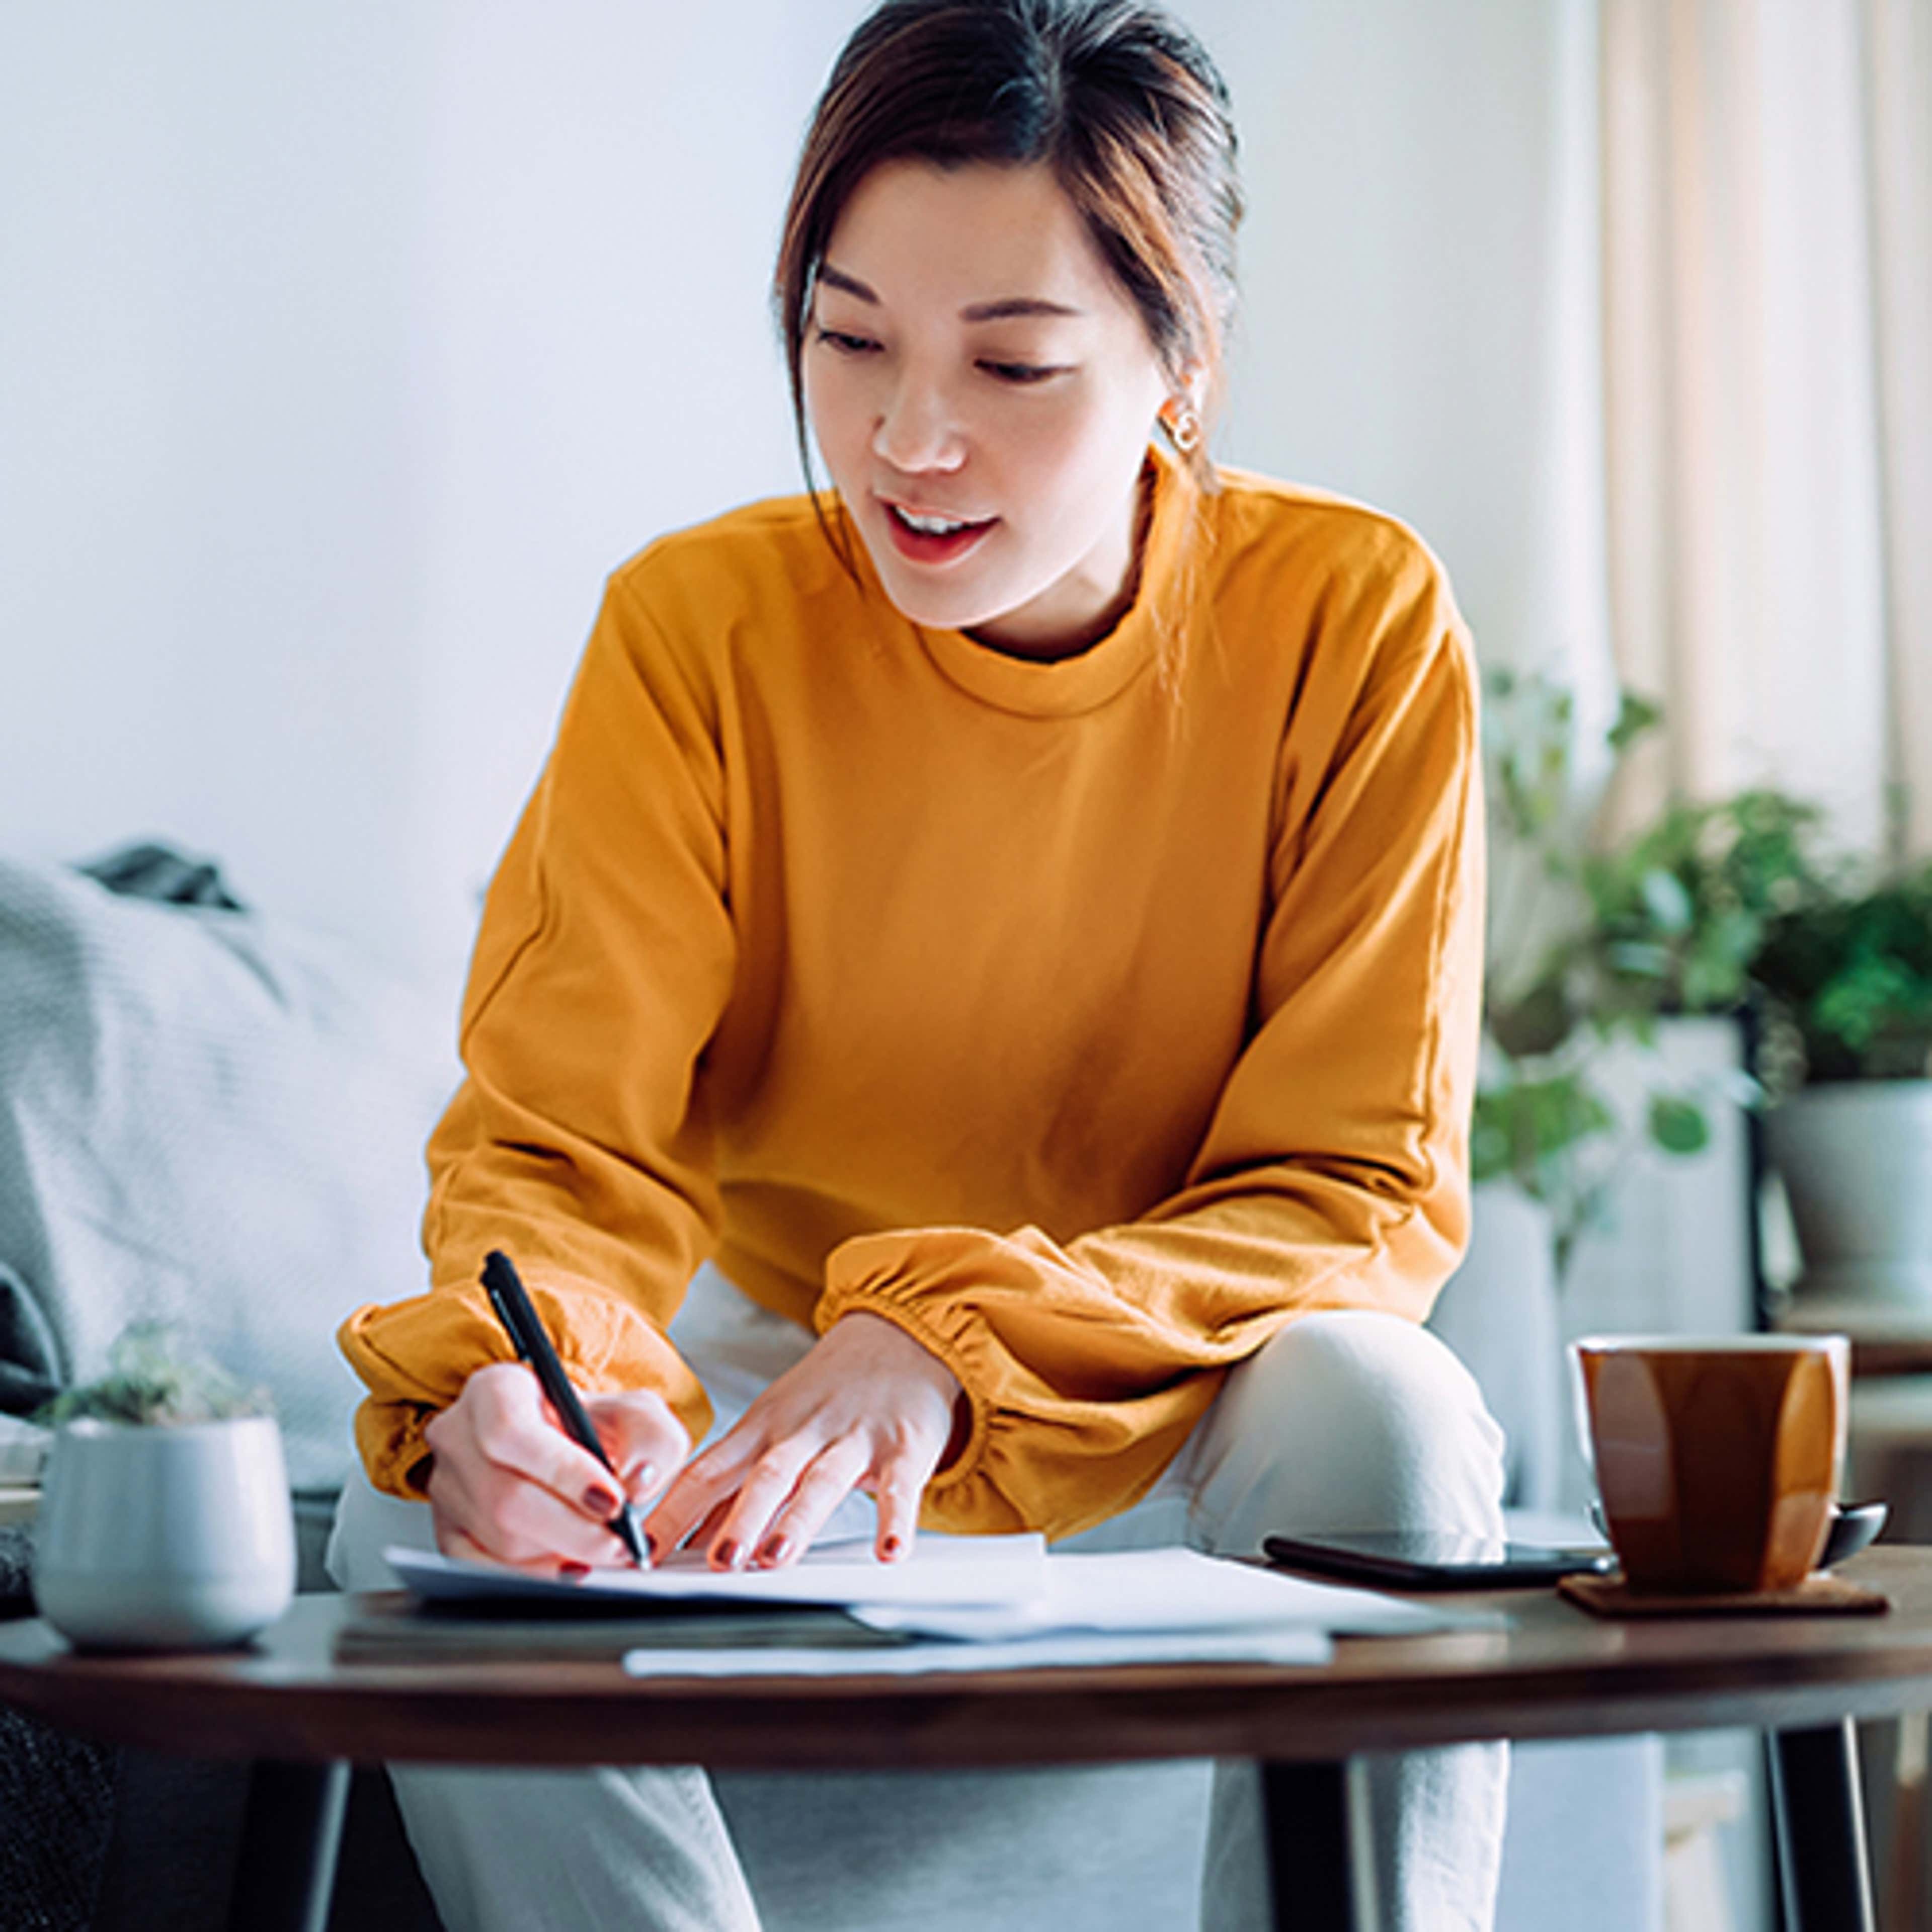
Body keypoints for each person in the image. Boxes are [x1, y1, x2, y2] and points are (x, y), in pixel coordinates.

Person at [328, 1, 1509, 1926]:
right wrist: (558, 1389)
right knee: (434, 1469)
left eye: (1016, 363)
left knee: (1391, 1410)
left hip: (1160, 1363)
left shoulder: (1353, 622)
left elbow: (1356, 1187)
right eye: (849, 337)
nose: (909, 440)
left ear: (1179, 370)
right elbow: (559, 1152)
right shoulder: (695, 630)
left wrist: (951, 1343)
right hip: (764, 1369)